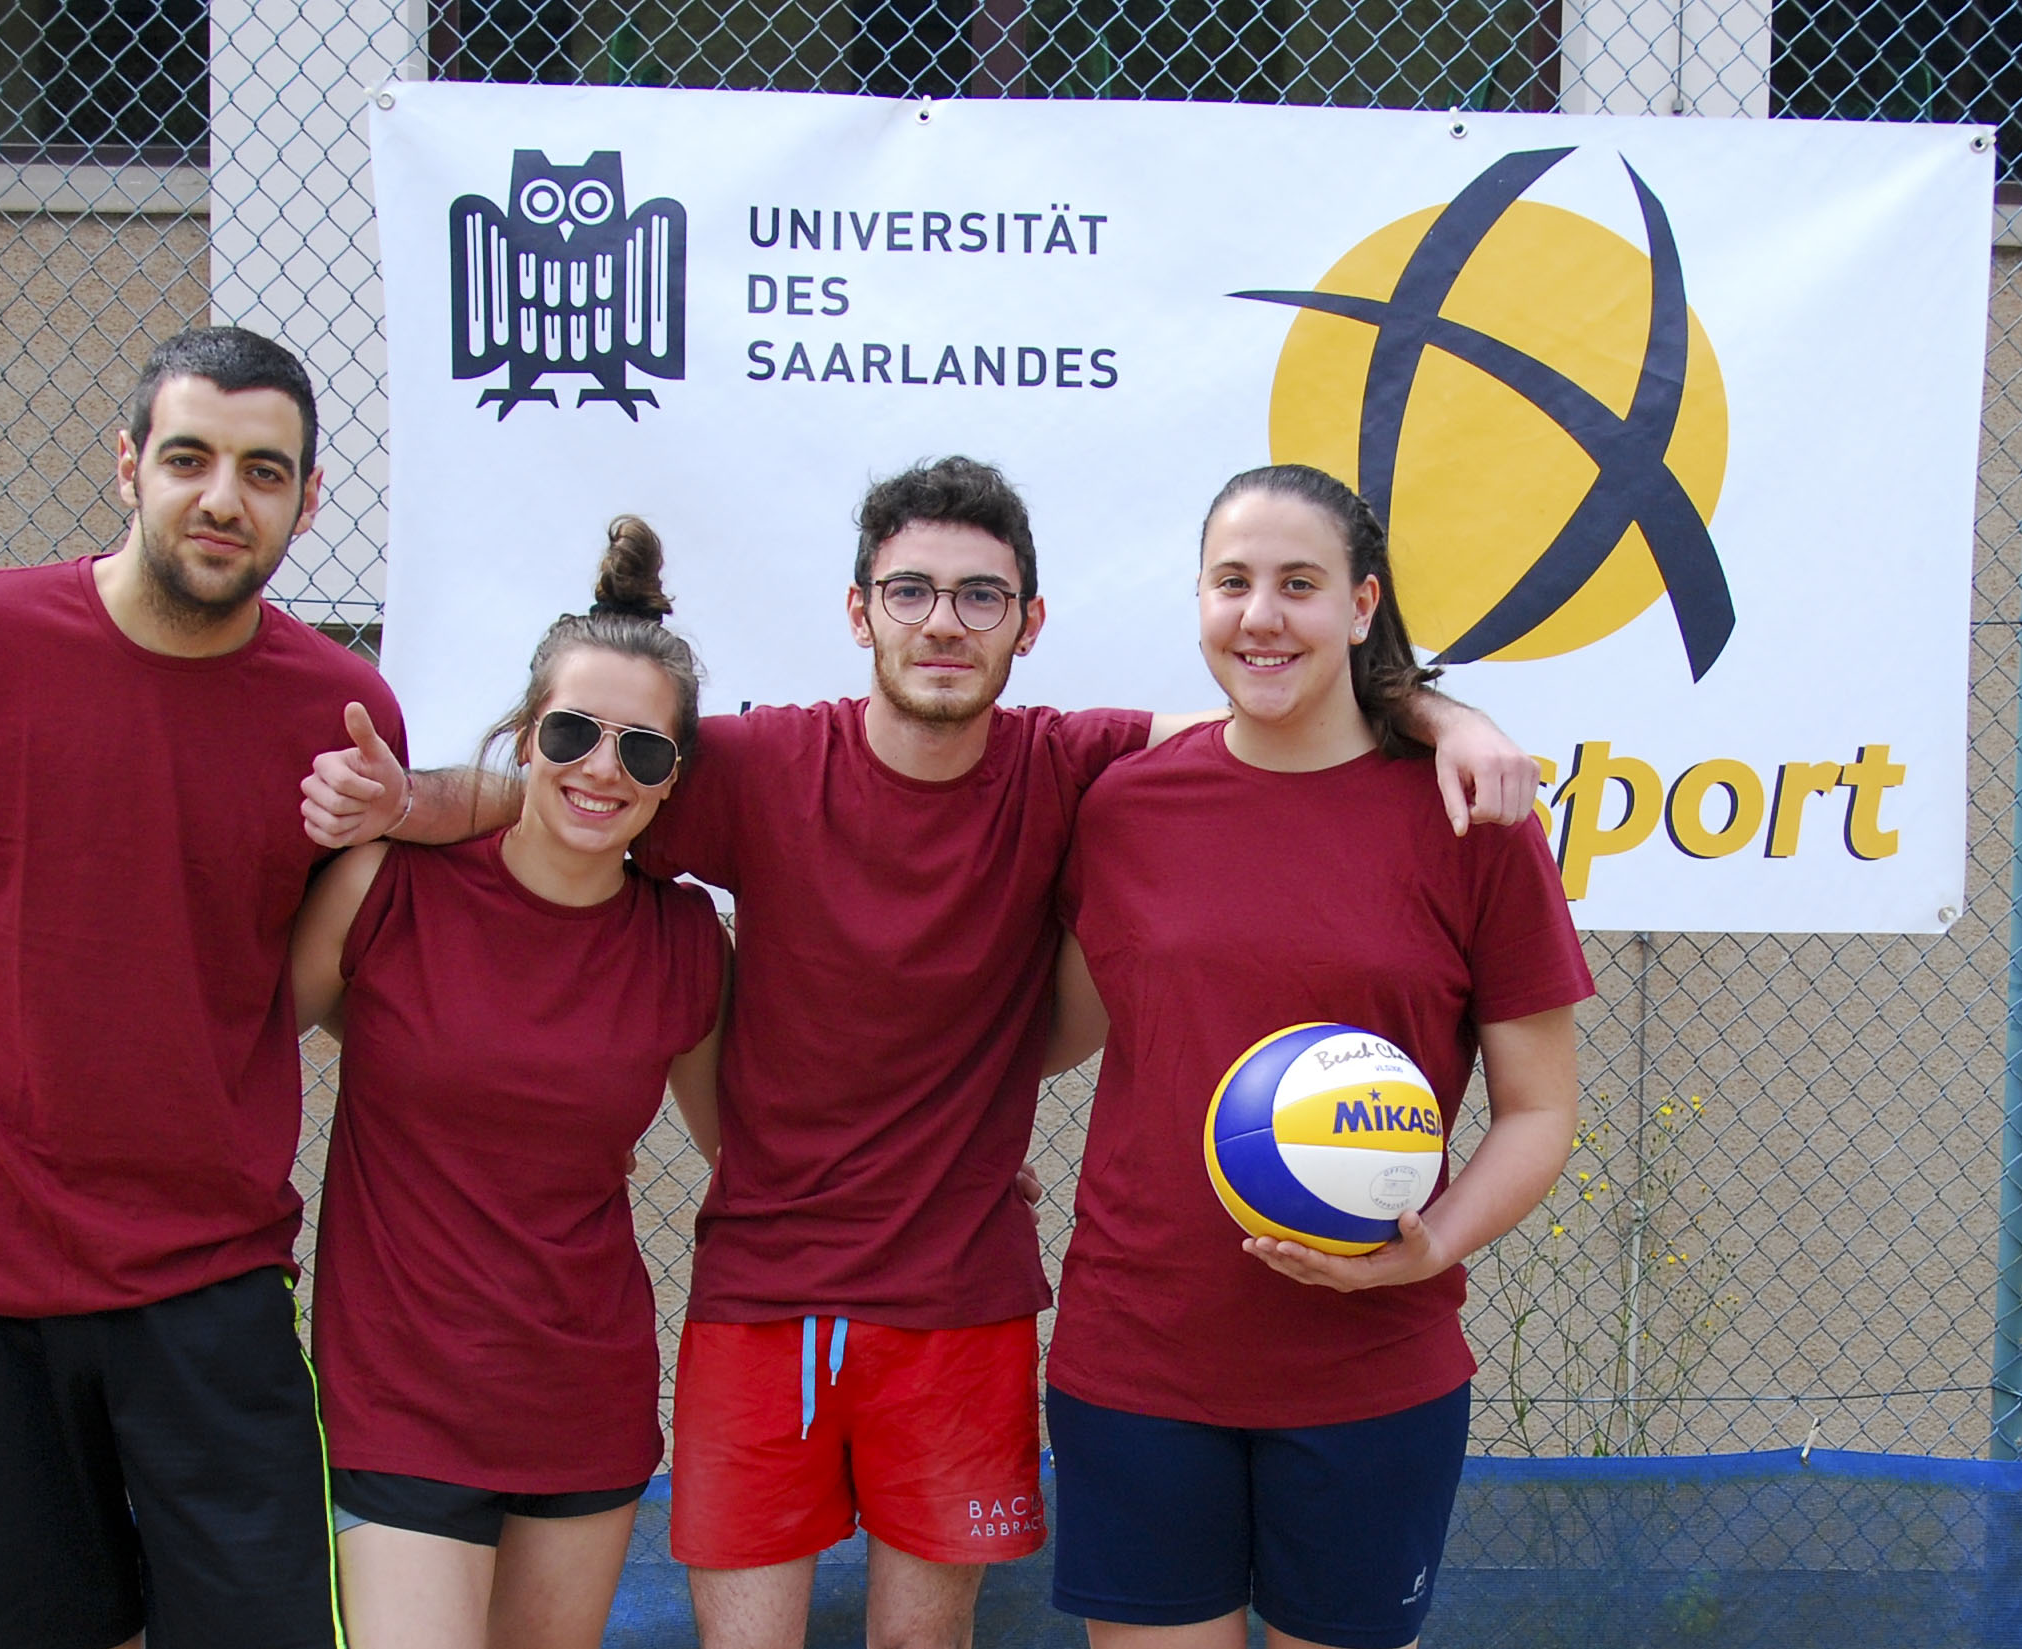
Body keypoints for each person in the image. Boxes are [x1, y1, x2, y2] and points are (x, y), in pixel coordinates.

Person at [300, 457, 1540, 1649]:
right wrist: (409, 805)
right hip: (764, 1290)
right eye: (911, 590)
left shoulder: (1070, 765)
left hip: (962, 1292)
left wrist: (1444, 712)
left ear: (1029, 623)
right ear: (860, 611)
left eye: (980, 595)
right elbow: (578, 777)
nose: (944, 620)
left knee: (918, 1633)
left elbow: (1276, 706)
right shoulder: (759, 764)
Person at [0, 326, 400, 1648]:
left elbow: (307, 986)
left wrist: (395, 832)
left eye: (263, 471)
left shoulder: (342, 712)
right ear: (128, 466)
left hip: (210, 1272)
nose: (223, 497)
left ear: (308, 501)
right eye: (189, 458)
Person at [1039, 464, 1592, 1649]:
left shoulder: (1469, 819)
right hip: (1140, 1355)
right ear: (1198, 600)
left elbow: (1539, 1109)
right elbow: (1056, 1033)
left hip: (1370, 1366)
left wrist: (1429, 1245)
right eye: (1231, 582)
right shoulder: (1125, 808)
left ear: (1360, 603)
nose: (1261, 615)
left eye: (1299, 582)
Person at [285, 518, 730, 1649]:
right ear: (526, 736)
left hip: (583, 1396)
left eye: (643, 751)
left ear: (673, 779)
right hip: (400, 1393)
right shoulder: (390, 884)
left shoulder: (683, 940)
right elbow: (228, 1042)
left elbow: (753, 1146)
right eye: (573, 732)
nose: (602, 769)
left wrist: (947, 1180)